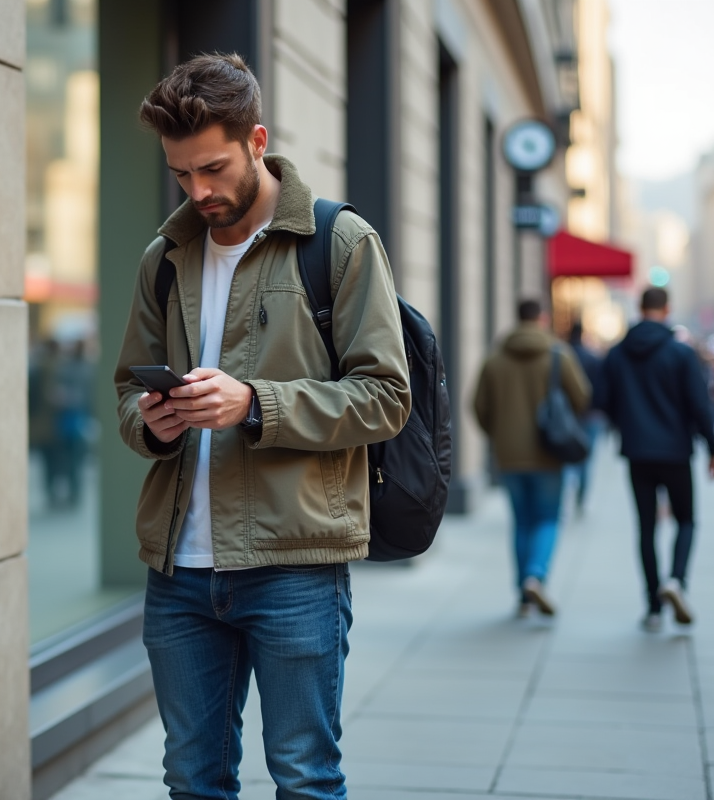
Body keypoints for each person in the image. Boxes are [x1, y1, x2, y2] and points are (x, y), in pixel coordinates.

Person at [113, 53, 410, 799]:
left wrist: (254, 404)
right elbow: (125, 392)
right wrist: (155, 423)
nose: (199, 190)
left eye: (212, 167)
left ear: (257, 139)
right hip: (179, 570)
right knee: (191, 779)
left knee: (305, 778)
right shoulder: (165, 258)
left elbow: (384, 396)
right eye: (181, 174)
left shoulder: (338, 243)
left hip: (296, 567)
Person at [600, 287, 714, 632]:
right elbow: (700, 405)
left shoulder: (619, 353)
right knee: (686, 520)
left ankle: (653, 605)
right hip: (676, 451)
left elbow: (604, 401)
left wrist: (628, 421)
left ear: (640, 308)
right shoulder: (680, 353)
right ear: (667, 310)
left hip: (637, 452)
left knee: (646, 528)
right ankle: (677, 581)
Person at [474, 300, 591, 619]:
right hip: (548, 454)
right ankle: (535, 576)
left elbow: (478, 406)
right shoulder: (557, 354)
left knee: (522, 522)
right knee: (548, 518)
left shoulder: (495, 357)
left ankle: (523, 596)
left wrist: (499, 435)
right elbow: (582, 396)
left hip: (509, 456)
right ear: (541, 318)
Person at [566, 320, 605, 514]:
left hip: (568, 415)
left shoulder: (562, 356)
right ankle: (581, 497)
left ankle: (566, 496)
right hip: (590, 415)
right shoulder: (592, 358)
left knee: (566, 457)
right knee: (586, 457)